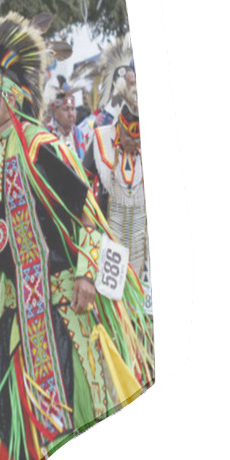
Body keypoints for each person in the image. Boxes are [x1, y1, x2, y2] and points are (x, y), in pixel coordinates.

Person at [0, 12, 153, 460]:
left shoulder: (40, 148)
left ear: (9, 96)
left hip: (59, 310)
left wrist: (86, 276)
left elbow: (90, 216)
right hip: (16, 309)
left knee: (64, 409)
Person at [82, 38, 149, 282]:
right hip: (108, 251)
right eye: (130, 132)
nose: (134, 142)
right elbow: (82, 194)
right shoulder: (101, 140)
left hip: (146, 256)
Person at [47, 86, 87, 160]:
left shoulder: (79, 135)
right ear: (55, 111)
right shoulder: (46, 134)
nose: (71, 114)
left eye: (73, 109)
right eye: (65, 109)